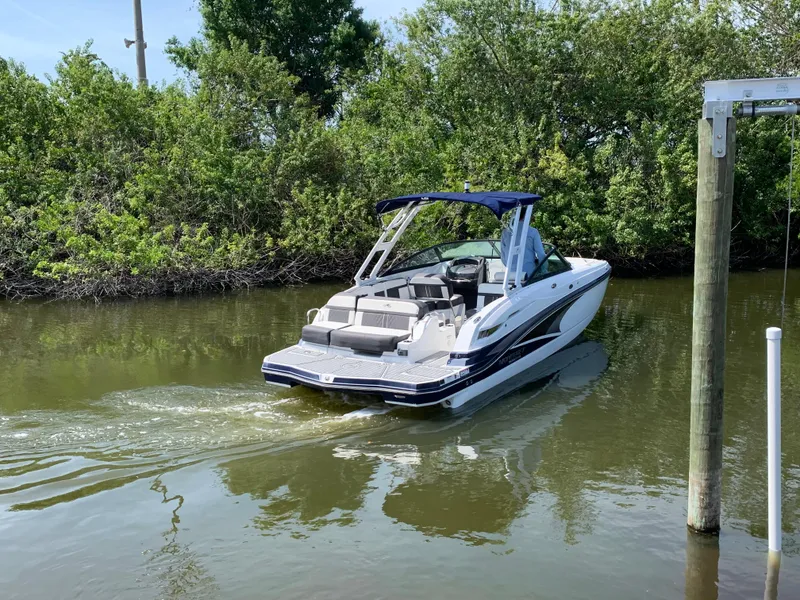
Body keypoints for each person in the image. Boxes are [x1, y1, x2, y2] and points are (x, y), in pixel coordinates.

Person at [500, 210, 546, 281]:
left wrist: (511, 267)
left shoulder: (505, 232)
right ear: (526, 216)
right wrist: (544, 270)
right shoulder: (533, 232)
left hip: (510, 276)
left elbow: (503, 257)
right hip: (528, 275)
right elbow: (541, 254)